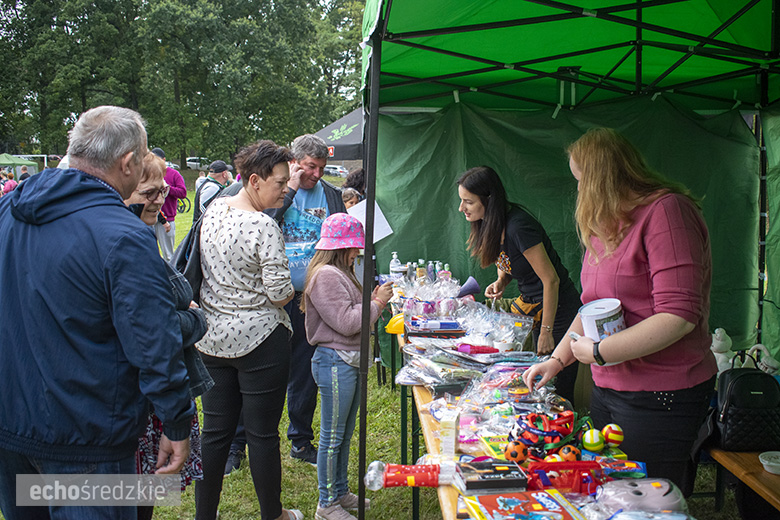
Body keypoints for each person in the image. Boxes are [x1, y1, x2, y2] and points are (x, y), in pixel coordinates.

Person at [0, 105, 194, 520]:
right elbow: (153, 343)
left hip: (17, 427)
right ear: (128, 162)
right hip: (84, 439)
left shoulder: (8, 211)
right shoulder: (121, 235)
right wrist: (176, 422)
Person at [523, 128, 716, 495]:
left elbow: (678, 316)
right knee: (612, 491)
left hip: (661, 394)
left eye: (581, 180)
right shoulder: (606, 224)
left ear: (600, 179)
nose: (579, 191)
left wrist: (599, 352)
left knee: (647, 498)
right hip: (610, 388)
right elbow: (590, 306)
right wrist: (558, 361)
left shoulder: (667, 212)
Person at [194, 140, 302, 520]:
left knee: (214, 434)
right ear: (254, 181)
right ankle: (273, 514)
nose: (286, 190)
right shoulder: (263, 225)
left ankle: (204, 515)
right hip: (261, 341)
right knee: (262, 435)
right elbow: (279, 293)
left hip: (212, 340)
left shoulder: (212, 211)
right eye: (280, 183)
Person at [457, 166, 582, 403]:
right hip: (534, 308)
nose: (461, 208)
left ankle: (567, 423)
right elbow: (507, 259)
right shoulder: (489, 222)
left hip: (558, 310)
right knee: (538, 382)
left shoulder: (519, 226)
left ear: (489, 200)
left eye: (468, 202)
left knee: (557, 388)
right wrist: (501, 280)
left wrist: (546, 331)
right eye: (462, 201)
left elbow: (551, 279)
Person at [302, 213, 392, 520]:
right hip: (334, 362)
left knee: (343, 434)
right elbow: (348, 322)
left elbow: (352, 311)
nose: (357, 252)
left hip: (345, 360)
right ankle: (326, 503)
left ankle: (339, 491)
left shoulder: (339, 272)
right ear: (340, 248)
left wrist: (372, 301)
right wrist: (378, 303)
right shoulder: (326, 276)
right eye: (354, 247)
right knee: (332, 437)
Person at [268, 134, 347, 466]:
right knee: (265, 369)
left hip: (311, 296)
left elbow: (342, 242)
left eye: (322, 167)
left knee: (304, 369)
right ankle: (241, 443)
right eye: (310, 167)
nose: (317, 174)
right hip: (273, 296)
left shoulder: (331, 194)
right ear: (294, 163)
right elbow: (265, 220)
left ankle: (300, 440)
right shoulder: (275, 190)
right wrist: (291, 189)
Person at [150, 147, 188, 261]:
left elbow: (183, 193)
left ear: (164, 159)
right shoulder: (148, 173)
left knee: (168, 255)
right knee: (150, 253)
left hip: (167, 218)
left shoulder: (173, 174)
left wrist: (167, 189)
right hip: (150, 217)